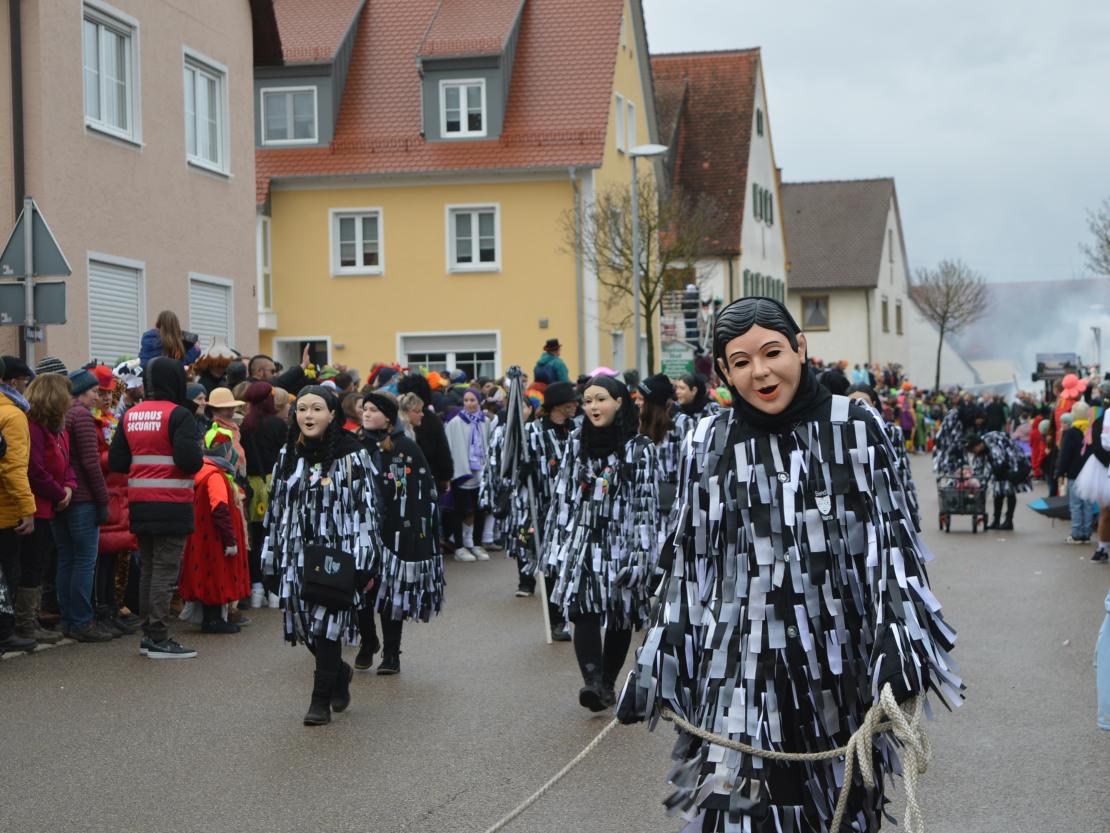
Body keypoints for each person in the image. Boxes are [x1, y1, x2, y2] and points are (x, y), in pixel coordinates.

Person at [618, 297, 961, 833]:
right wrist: (660, 657)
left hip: (839, 671)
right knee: (736, 812)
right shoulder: (707, 440)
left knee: (838, 811)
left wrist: (900, 643)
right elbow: (689, 560)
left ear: (800, 347)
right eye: (741, 362)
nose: (760, 372)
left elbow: (893, 546)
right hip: (738, 670)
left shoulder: (857, 427)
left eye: (772, 352)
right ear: (725, 371)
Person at [261, 386, 383, 725]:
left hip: (336, 554)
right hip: (295, 554)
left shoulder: (352, 455)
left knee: (327, 625)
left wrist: (363, 558)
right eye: (302, 409)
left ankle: (319, 701)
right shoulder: (287, 454)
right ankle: (338, 673)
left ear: (332, 414)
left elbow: (365, 510)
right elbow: (275, 509)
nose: (308, 415)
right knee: (306, 625)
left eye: (316, 409)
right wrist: (270, 558)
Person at [544, 375, 660, 710]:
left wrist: (640, 553)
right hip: (583, 538)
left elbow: (645, 504)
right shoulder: (576, 441)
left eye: (601, 399)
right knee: (582, 608)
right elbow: (563, 494)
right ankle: (592, 683)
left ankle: (608, 683)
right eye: (588, 401)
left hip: (622, 541)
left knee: (620, 613)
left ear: (619, 402)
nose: (593, 407)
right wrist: (557, 542)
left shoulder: (640, 448)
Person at [109, 357, 204, 659]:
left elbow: (117, 461)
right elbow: (190, 461)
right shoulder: (179, 414)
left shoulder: (131, 415)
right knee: (164, 571)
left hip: (140, 503)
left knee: (149, 569)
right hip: (172, 503)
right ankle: (159, 637)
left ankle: (148, 636)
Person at [355, 391, 444, 674]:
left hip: (394, 532)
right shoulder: (354, 445)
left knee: (390, 592)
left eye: (373, 410)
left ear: (388, 418)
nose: (366, 413)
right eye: (365, 409)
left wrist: (419, 532)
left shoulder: (405, 448)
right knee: (359, 591)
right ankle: (368, 640)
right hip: (360, 531)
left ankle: (391, 654)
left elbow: (422, 491)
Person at [54, 370, 112, 642]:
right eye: (93, 391)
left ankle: (67, 619)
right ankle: (81, 621)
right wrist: (103, 499)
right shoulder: (83, 417)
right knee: (85, 561)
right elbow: (91, 463)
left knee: (66, 558)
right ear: (80, 392)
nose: (97, 397)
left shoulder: (62, 414)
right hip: (83, 499)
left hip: (61, 497)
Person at [20, 373, 75, 644]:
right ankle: (25, 622)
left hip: (49, 504)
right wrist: (59, 492)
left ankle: (31, 620)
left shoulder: (56, 428)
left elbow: (67, 461)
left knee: (39, 563)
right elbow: (35, 469)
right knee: (31, 564)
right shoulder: (34, 428)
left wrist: (69, 487)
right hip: (36, 506)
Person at [178, 432, 250, 633]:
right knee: (216, 575)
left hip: (204, 536)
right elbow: (219, 508)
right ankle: (213, 620)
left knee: (207, 573)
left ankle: (214, 618)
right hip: (215, 538)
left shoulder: (203, 472)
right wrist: (230, 540)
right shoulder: (215, 476)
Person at [0, 356, 37, 653]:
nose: (26, 386)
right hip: (5, 508)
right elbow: (13, 467)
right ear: (14, 382)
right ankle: (4, 632)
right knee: (7, 574)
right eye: (24, 381)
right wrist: (27, 507)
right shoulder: (13, 416)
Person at [848, 383, 922, 530]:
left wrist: (908, 510)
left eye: (864, 402)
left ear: (874, 404)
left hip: (885, 505)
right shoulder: (837, 435)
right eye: (852, 402)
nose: (858, 406)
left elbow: (902, 472)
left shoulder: (892, 432)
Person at [240, 381, 287, 608]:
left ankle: (256, 587)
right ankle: (274, 589)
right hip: (274, 485)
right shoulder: (277, 424)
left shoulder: (244, 426)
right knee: (276, 536)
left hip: (252, 487)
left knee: (256, 537)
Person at [444, 388, 491, 561]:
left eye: (472, 400)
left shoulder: (485, 421)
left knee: (480, 509)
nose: (469, 404)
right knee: (459, 510)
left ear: (479, 402)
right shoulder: (456, 422)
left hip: (480, 471)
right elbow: (449, 445)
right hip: (461, 470)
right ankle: (459, 546)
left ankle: (477, 544)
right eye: (466, 400)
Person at [966, 426, 1032, 531]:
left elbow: (1001, 462)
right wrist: (975, 480)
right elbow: (979, 466)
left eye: (973, 450)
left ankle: (1009, 521)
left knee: (1010, 491)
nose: (974, 453)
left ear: (978, 445)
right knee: (998, 493)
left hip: (1013, 463)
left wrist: (992, 475)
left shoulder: (992, 443)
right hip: (1002, 465)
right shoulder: (982, 446)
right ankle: (996, 521)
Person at [1074, 397, 1110, 562]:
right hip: (1104, 467)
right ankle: (1102, 547)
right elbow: (1101, 445)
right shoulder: (1103, 418)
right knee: (1106, 511)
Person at [1057, 401, 1097, 544]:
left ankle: (1076, 534)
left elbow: (1065, 455)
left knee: (1075, 505)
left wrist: (1060, 472)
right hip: (1090, 474)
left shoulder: (1071, 433)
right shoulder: (1091, 431)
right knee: (1088, 505)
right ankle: (1086, 534)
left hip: (1074, 473)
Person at [205, 388, 247, 480]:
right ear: (214, 410)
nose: (231, 411)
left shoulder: (233, 427)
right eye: (226, 408)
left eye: (232, 407)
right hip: (224, 476)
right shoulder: (214, 430)